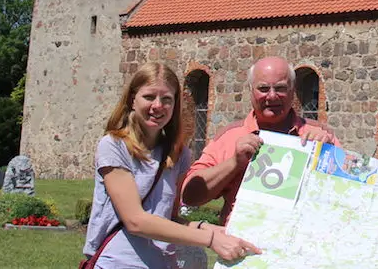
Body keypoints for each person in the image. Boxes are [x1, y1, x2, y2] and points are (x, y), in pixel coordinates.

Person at [83, 62, 261, 268]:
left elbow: (168, 219)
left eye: (167, 99)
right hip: (118, 262)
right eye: (149, 97)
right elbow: (135, 221)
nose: (158, 105)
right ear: (132, 100)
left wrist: (206, 228)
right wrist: (210, 240)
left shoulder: (178, 154)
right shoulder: (114, 147)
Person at [180, 56, 338, 224]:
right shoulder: (229, 137)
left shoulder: (319, 136)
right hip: (242, 246)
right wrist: (234, 163)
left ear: (293, 90)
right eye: (263, 88)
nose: (272, 96)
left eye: (280, 88)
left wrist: (329, 159)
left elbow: (350, 199)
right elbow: (189, 196)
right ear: (251, 90)